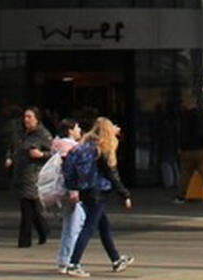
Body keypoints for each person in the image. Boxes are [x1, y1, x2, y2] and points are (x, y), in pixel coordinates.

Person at [63, 117, 135, 278]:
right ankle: (74, 263)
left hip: (85, 190)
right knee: (89, 227)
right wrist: (124, 194)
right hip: (99, 192)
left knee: (104, 225)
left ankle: (116, 259)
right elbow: (112, 175)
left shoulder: (86, 144)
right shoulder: (103, 148)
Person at [7, 106, 52, 248]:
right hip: (19, 173)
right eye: (25, 117)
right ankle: (43, 229)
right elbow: (12, 148)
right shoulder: (20, 133)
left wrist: (41, 155)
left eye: (29, 117)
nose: (26, 119)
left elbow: (53, 153)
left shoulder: (43, 134)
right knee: (31, 207)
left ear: (37, 119)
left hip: (33, 175)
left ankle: (24, 241)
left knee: (26, 207)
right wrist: (9, 158)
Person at [51, 119, 86, 274]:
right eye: (77, 128)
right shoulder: (70, 147)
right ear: (70, 130)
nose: (79, 130)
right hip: (70, 190)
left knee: (74, 221)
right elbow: (71, 170)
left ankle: (64, 258)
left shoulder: (57, 144)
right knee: (73, 225)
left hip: (62, 189)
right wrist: (74, 189)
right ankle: (65, 260)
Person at [174, 96, 203, 204]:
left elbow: (181, 134)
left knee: (185, 174)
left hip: (188, 150)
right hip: (202, 150)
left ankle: (180, 197)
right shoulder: (202, 117)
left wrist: (181, 147)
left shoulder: (184, 118)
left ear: (186, 104)